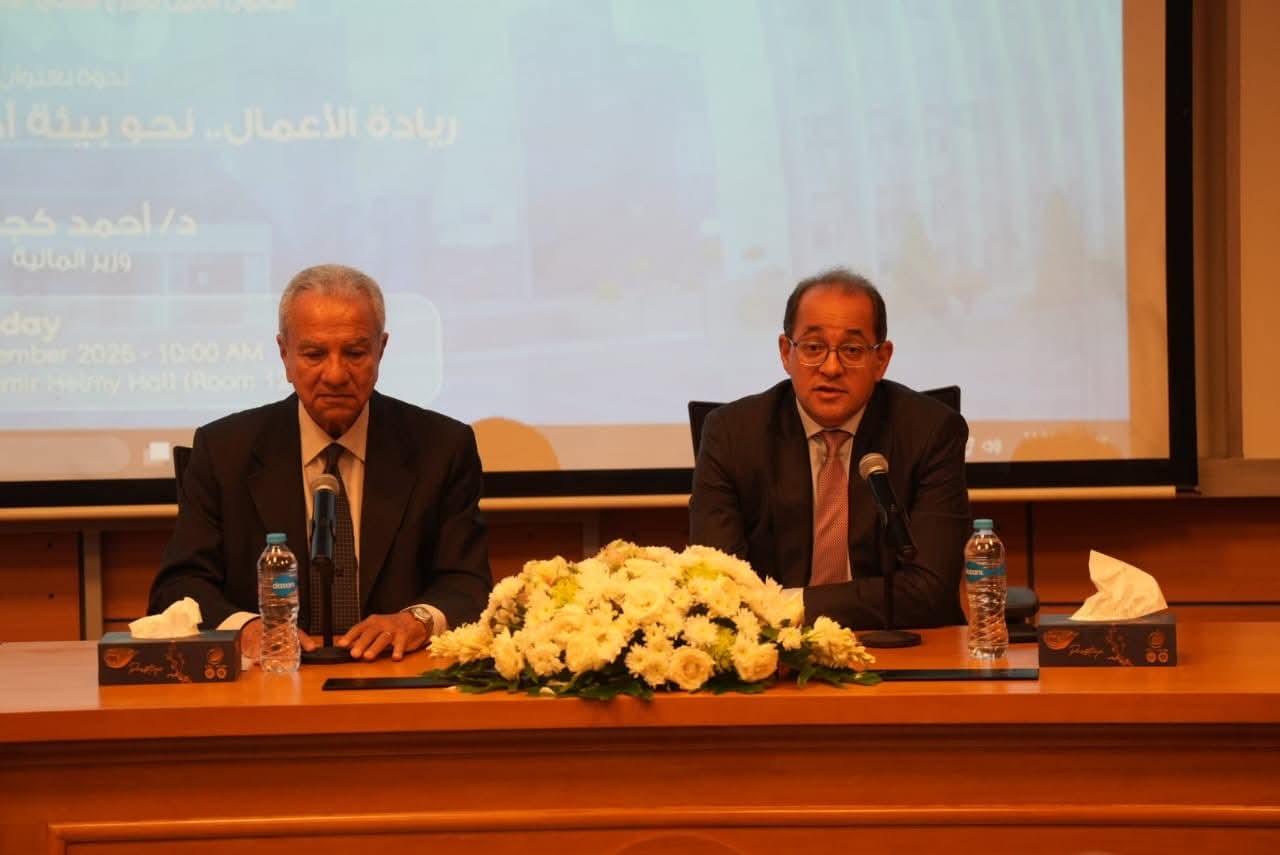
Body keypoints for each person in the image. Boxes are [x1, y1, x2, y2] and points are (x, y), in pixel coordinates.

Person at [150, 264, 491, 662]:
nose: (335, 374)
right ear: (285, 354)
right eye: (314, 354)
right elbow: (179, 587)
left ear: (381, 350)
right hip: (271, 676)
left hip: (394, 673)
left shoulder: (441, 447)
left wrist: (416, 621)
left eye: (355, 353)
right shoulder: (224, 451)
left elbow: (468, 585)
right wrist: (246, 628)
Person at [689, 268, 969, 630]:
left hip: (897, 643)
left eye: (852, 350)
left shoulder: (931, 432)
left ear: (881, 359)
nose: (831, 367)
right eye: (813, 347)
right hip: (774, 651)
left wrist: (789, 605)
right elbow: (717, 585)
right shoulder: (732, 434)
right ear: (786, 352)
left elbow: (931, 591)